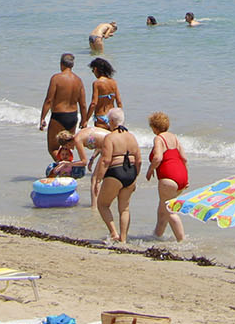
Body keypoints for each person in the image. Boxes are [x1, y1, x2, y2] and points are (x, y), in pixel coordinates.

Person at [92, 112, 141, 243]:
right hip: (130, 172)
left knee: (102, 204)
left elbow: (105, 161)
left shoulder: (110, 137)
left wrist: (98, 180)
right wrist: (135, 177)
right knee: (124, 208)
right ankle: (123, 239)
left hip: (115, 172)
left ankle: (114, 233)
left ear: (112, 121)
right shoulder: (132, 137)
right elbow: (139, 160)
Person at [146, 111, 188, 243]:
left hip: (169, 177)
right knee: (163, 208)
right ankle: (157, 235)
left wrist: (150, 169)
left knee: (170, 211)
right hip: (181, 176)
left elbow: (158, 157)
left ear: (154, 127)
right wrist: (186, 178)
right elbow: (184, 158)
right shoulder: (174, 138)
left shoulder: (159, 138)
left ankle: (182, 241)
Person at [40, 53, 89, 160]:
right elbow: (83, 104)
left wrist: (42, 118)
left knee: (53, 148)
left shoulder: (56, 78)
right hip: (73, 117)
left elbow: (49, 100)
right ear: (72, 65)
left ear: (61, 64)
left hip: (58, 116)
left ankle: (63, 168)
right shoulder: (78, 80)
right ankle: (68, 168)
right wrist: (84, 120)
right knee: (67, 148)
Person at [88, 56, 121, 123]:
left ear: (95, 69)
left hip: (101, 117)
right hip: (112, 117)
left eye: (92, 70)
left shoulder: (97, 83)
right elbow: (119, 102)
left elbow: (93, 103)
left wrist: (86, 120)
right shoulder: (113, 82)